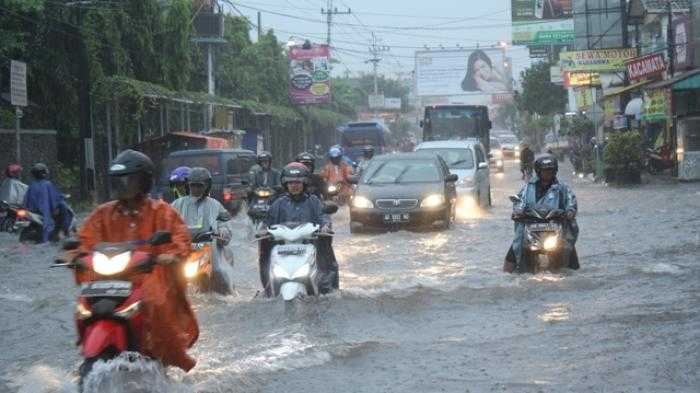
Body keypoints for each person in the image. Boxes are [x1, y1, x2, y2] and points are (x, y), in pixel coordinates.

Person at [68, 149, 199, 371]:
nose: (123, 186)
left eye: (129, 181)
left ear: (144, 181)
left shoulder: (162, 212)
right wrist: (75, 256)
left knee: (157, 301)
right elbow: (85, 240)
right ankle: (87, 344)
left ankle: (163, 355)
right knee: (83, 305)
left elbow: (180, 238)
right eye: (119, 181)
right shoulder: (103, 213)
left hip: (148, 276)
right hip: (108, 279)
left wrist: (170, 254)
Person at [258, 162, 338, 296]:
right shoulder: (278, 203)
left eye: (297, 182)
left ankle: (327, 290)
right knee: (265, 254)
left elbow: (323, 216)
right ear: (285, 185)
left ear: (305, 183)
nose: (294, 186)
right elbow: (267, 220)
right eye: (290, 183)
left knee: (326, 255)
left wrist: (325, 226)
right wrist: (263, 229)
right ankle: (268, 290)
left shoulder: (314, 201)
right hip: (282, 249)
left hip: (310, 247)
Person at [504, 154, 580, 273]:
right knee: (515, 250)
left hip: (556, 227)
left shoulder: (562, 189)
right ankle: (506, 274)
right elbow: (520, 201)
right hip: (531, 227)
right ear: (539, 172)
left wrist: (570, 212)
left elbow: (571, 202)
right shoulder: (528, 188)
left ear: (555, 172)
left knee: (568, 250)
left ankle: (574, 272)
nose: (548, 173)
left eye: (551, 171)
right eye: (545, 171)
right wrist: (518, 212)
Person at [172, 167, 233, 294]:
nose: (195, 189)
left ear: (207, 186)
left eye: (199, 186)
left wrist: (223, 231)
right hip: (183, 248)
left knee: (217, 273)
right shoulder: (177, 204)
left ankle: (228, 295)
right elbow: (166, 223)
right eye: (192, 186)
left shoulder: (215, 204)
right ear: (188, 186)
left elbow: (224, 221)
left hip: (209, 248)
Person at [23, 163, 74, 242]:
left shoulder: (31, 185)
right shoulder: (47, 184)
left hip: (33, 211)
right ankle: (63, 230)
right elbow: (55, 197)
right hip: (45, 213)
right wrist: (62, 197)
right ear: (43, 173)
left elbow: (26, 199)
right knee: (63, 206)